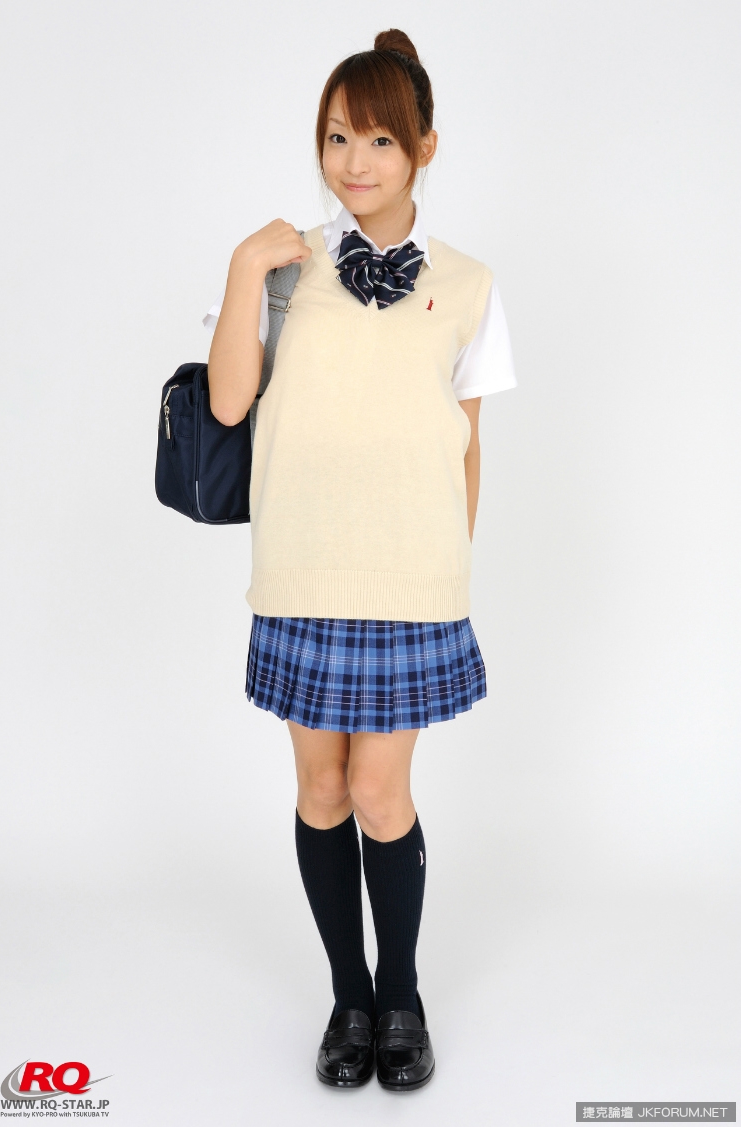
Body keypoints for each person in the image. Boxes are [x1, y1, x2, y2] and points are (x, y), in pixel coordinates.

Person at [203, 28, 516, 1092]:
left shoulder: (469, 284)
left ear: (424, 145)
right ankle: (349, 996)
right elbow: (230, 403)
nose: (354, 160)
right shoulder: (285, 265)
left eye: (380, 138)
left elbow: (468, 443)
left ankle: (402, 994)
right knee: (322, 787)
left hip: (413, 575)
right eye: (337, 136)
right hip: (304, 566)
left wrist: (450, 573)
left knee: (383, 793)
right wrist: (244, 268)